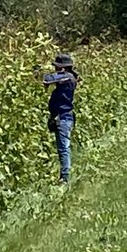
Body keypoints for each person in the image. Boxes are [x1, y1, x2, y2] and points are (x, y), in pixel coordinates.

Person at [43, 53, 80, 183]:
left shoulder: (67, 78)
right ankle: (64, 175)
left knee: (64, 148)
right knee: (62, 147)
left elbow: (48, 78)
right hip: (63, 117)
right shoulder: (69, 77)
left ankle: (65, 178)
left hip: (63, 118)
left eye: (57, 67)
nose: (55, 69)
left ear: (62, 68)